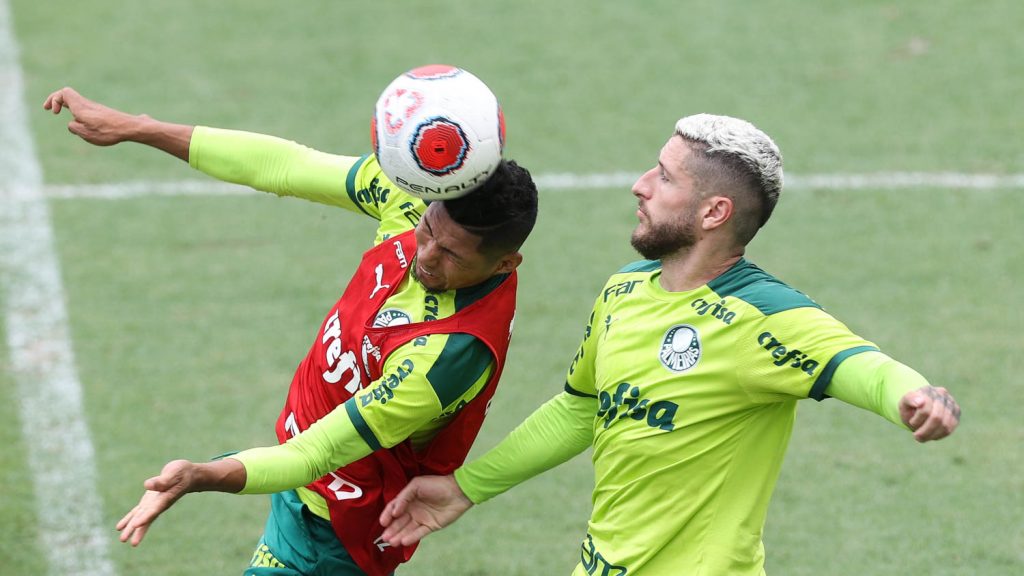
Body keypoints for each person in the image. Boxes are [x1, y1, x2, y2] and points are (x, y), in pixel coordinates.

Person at [378, 113, 962, 575]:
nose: (640, 185)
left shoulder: (763, 317)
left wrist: (916, 396)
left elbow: (862, 365)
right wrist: (468, 487)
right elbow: (583, 408)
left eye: (664, 176)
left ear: (714, 212)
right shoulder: (624, 291)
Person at [43, 87, 538, 576]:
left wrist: (201, 475)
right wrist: (140, 128)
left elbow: (315, 454)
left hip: (334, 531)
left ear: (504, 264)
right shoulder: (410, 204)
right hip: (301, 487)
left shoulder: (445, 357)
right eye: (429, 232)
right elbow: (283, 166)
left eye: (451, 255)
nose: (424, 257)